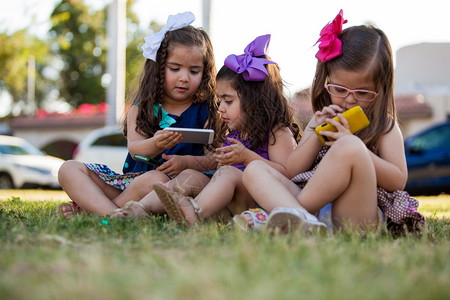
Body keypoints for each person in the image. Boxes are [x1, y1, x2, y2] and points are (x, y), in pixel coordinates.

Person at [240, 10, 425, 235]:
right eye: (339, 89)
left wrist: (354, 146)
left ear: (380, 89)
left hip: (354, 215)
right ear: (326, 81)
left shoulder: (384, 126)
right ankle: (302, 221)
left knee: (350, 147)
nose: (348, 99)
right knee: (254, 169)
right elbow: (292, 170)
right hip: (317, 211)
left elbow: (398, 180)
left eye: (362, 93)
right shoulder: (321, 120)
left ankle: (293, 218)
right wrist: (317, 133)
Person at [112, 34, 300, 227]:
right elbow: (216, 169)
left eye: (228, 101)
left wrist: (246, 157)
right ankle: (140, 208)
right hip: (228, 200)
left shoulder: (278, 133)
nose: (220, 108)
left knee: (226, 173)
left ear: (255, 101)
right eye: (220, 102)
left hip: (256, 199)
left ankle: (194, 214)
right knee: (189, 176)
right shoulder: (235, 134)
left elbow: (287, 175)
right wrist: (200, 162)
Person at [56, 12, 225, 218]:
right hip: (130, 184)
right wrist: (157, 143)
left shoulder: (207, 109)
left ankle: (96, 213)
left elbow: (214, 160)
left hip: (171, 189)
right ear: (159, 67)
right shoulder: (143, 106)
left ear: (205, 72)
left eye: (194, 71)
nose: (184, 78)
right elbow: (135, 149)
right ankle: (115, 214)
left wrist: (187, 162)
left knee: (155, 178)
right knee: (68, 169)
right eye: (175, 68)